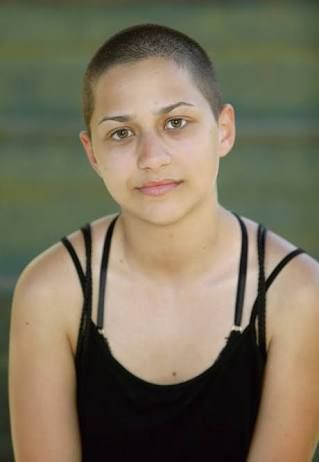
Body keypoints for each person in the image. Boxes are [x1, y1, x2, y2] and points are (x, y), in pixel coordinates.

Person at [8, 23, 319, 462]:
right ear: (92, 152)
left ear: (224, 129)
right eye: (121, 133)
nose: (151, 157)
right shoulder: (51, 291)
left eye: (176, 122)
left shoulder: (297, 292)